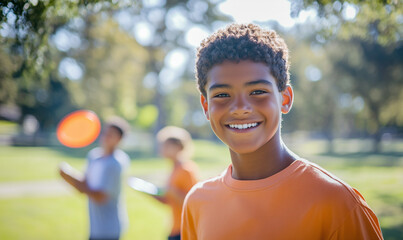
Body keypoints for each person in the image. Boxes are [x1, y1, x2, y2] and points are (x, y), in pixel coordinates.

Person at [181, 23, 383, 240]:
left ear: (285, 99)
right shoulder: (197, 202)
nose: (240, 108)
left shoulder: (337, 203)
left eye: (257, 91)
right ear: (205, 106)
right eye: (222, 95)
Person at [59, 116, 130, 240]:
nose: (106, 136)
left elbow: (100, 196)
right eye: (105, 132)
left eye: (111, 134)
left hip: (109, 229)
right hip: (95, 227)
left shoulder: (116, 163)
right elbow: (85, 183)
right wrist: (68, 176)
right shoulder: (94, 156)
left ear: (119, 139)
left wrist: (71, 178)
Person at [153, 126, 198, 240]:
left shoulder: (186, 170)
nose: (162, 148)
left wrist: (171, 191)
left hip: (185, 229)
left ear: (178, 147)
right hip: (175, 228)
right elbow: (170, 201)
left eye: (166, 145)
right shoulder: (174, 169)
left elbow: (192, 203)